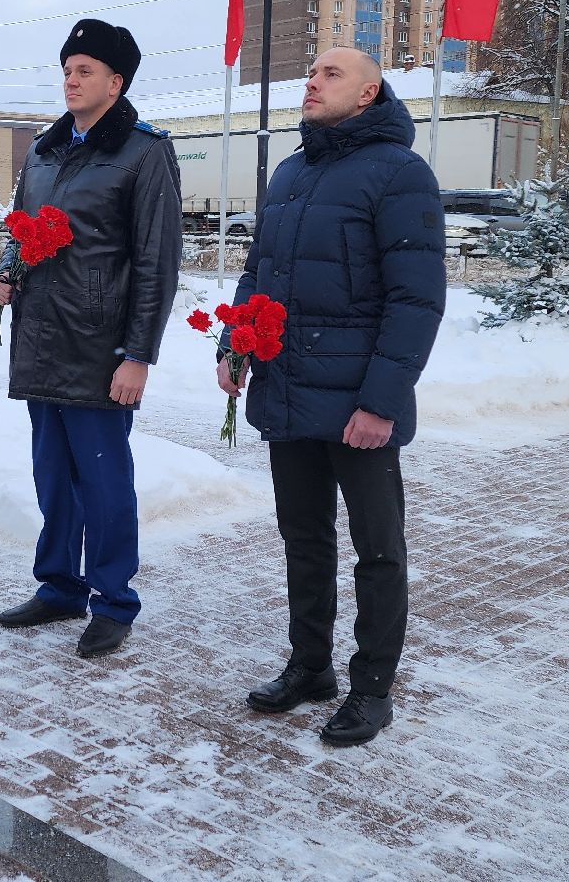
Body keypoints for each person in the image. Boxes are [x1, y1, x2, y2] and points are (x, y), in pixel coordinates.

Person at [219, 47, 445, 746]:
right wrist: (233, 342)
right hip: (288, 384)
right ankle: (308, 666)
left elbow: (415, 298)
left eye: (329, 74)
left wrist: (380, 402)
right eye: (310, 73)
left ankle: (371, 687)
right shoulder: (290, 172)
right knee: (303, 539)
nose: (311, 83)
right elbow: (260, 270)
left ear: (369, 92)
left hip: (357, 403)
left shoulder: (399, 173)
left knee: (377, 550)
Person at [0, 19, 183, 658]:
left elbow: (156, 261)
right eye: (68, 70)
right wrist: (9, 272)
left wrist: (138, 355)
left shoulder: (142, 152)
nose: (72, 81)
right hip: (42, 335)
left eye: (86, 71)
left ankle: (113, 599)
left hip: (100, 345)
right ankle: (60, 587)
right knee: (52, 474)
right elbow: (23, 228)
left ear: (115, 81)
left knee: (101, 480)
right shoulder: (44, 152)